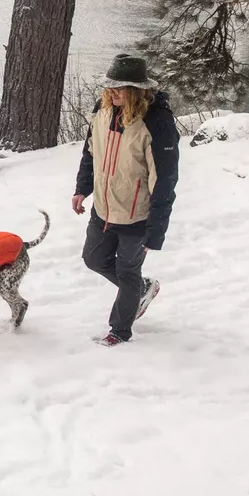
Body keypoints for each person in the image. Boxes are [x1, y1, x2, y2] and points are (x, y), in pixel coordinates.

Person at [72, 53, 179, 346]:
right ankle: (141, 289)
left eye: (119, 87)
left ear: (137, 89)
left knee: (127, 270)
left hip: (138, 216)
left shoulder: (157, 122)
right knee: (93, 259)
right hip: (104, 209)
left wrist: (156, 228)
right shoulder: (102, 111)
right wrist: (82, 189)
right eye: (110, 86)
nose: (112, 92)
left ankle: (119, 331)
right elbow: (90, 153)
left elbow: (165, 179)